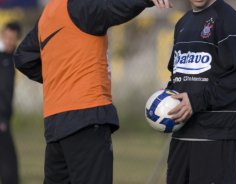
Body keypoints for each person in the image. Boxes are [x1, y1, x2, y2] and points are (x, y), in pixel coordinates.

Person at [13, 0, 172, 183]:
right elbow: (115, 7)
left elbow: (23, 58)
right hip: (86, 118)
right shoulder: (81, 5)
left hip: (55, 124)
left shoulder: (49, 13)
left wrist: (60, 77)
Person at [165, 0, 236, 183]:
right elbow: (177, 75)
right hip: (183, 132)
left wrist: (196, 101)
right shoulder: (182, 23)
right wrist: (166, 99)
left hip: (215, 133)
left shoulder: (228, 19)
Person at [0, 21, 21, 184]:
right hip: (1, 117)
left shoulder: (12, 60)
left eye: (11, 38)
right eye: (6, 37)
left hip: (5, 116)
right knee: (9, 164)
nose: (8, 41)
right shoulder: (3, 60)